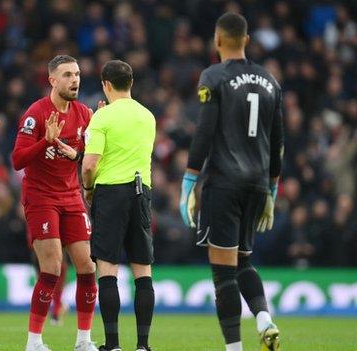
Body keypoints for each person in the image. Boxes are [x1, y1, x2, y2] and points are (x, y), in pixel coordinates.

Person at [178, 12, 283, 351]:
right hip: (256, 185)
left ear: (217, 40)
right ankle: (264, 317)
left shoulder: (214, 76)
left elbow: (205, 132)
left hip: (224, 183)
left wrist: (189, 181)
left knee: (223, 273)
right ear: (247, 41)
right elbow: (278, 140)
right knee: (244, 262)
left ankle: (234, 348)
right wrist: (272, 188)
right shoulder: (271, 81)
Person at [12, 54, 98, 351]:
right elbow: (17, 160)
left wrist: (99, 133)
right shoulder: (36, 113)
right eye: (67, 75)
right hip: (41, 196)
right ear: (52, 80)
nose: (74, 79)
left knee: (87, 266)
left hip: (71, 195)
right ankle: (34, 342)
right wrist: (45, 142)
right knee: (51, 267)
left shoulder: (85, 113)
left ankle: (83, 340)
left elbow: (88, 153)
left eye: (76, 74)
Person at [82, 60, 157, 351]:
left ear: (106, 85)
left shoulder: (101, 118)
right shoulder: (148, 116)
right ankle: (143, 345)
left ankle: (112, 344)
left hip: (111, 193)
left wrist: (88, 189)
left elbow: (89, 165)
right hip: (142, 192)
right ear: (131, 83)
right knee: (143, 272)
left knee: (108, 270)